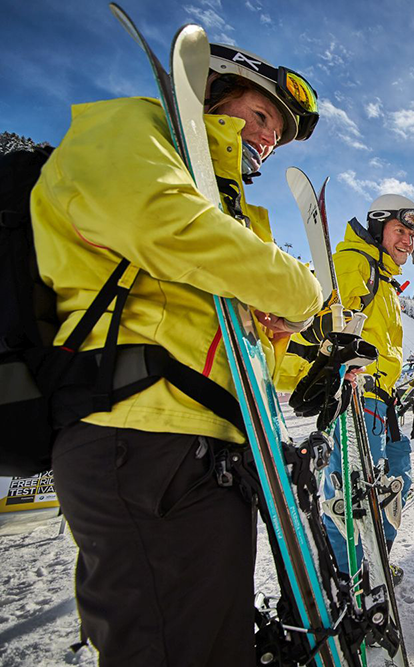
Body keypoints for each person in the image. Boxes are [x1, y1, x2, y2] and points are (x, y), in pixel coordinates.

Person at [35, 43, 323, 664]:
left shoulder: (227, 206)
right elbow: (162, 227)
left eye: (278, 131)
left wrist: (282, 340)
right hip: (137, 438)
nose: (269, 138)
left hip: (205, 452)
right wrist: (299, 289)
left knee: (215, 644)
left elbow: (240, 353)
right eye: (263, 114)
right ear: (218, 91)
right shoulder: (133, 129)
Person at [316, 193, 414, 582]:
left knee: (395, 485)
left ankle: (374, 564)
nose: (407, 242)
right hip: (357, 397)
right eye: (400, 231)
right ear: (379, 227)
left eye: (412, 237)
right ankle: (346, 581)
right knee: (350, 497)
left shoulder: (385, 279)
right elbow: (331, 327)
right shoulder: (355, 264)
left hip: (383, 400)